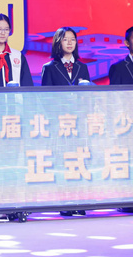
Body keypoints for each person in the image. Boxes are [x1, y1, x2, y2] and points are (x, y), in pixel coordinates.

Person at [41, 27, 90, 216]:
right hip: (60, 123)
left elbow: (88, 96)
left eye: (73, 39)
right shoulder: (49, 68)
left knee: (80, 159)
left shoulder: (82, 67)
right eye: (65, 39)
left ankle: (80, 201)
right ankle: (64, 202)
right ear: (58, 42)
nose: (70, 43)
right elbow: (46, 100)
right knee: (63, 161)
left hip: (79, 123)